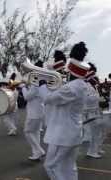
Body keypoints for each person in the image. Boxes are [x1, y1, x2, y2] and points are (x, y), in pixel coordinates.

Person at [40, 42, 90, 180]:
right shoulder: (82, 85)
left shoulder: (71, 87)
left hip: (62, 136)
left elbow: (48, 99)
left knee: (51, 167)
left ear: (70, 70)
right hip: (73, 133)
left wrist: (42, 85)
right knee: (69, 167)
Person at [20, 60, 46, 161]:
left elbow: (27, 97)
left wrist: (23, 88)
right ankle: (36, 153)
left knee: (27, 132)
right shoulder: (40, 81)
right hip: (39, 112)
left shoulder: (36, 84)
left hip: (33, 113)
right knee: (35, 133)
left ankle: (39, 150)